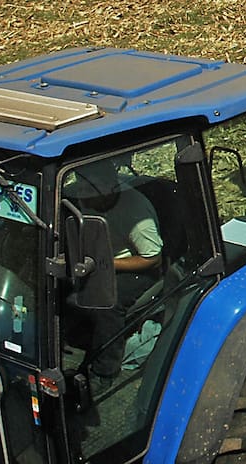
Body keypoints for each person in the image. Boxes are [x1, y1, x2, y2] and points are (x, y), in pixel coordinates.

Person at [70, 157, 163, 385]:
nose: (83, 197)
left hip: (132, 266)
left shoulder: (135, 213)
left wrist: (105, 264)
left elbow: (152, 258)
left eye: (89, 192)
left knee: (108, 303)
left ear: (106, 190)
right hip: (94, 257)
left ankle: (105, 371)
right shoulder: (82, 197)